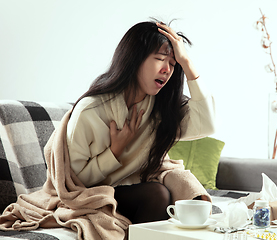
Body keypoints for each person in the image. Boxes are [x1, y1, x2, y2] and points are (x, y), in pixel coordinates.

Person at [66, 20, 215, 225]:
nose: (167, 70)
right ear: (135, 60)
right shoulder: (91, 111)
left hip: (133, 189)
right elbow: (77, 181)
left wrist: (187, 63)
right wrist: (115, 150)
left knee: (181, 196)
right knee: (157, 194)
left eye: (173, 64)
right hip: (91, 196)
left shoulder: (161, 107)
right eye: (160, 59)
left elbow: (206, 124)